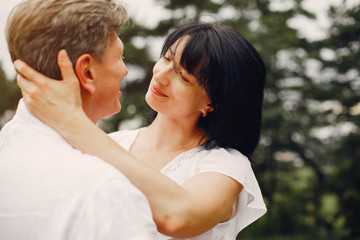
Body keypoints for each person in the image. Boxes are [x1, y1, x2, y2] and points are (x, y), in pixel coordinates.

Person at [16, 22, 267, 239]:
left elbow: (178, 217)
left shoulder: (226, 164)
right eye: (167, 58)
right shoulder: (111, 142)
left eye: (183, 76)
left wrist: (74, 123)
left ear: (212, 102)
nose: (161, 75)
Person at [0, 0, 157, 239]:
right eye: (119, 57)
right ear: (87, 72)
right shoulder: (104, 191)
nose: (125, 70)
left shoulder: (6, 144)